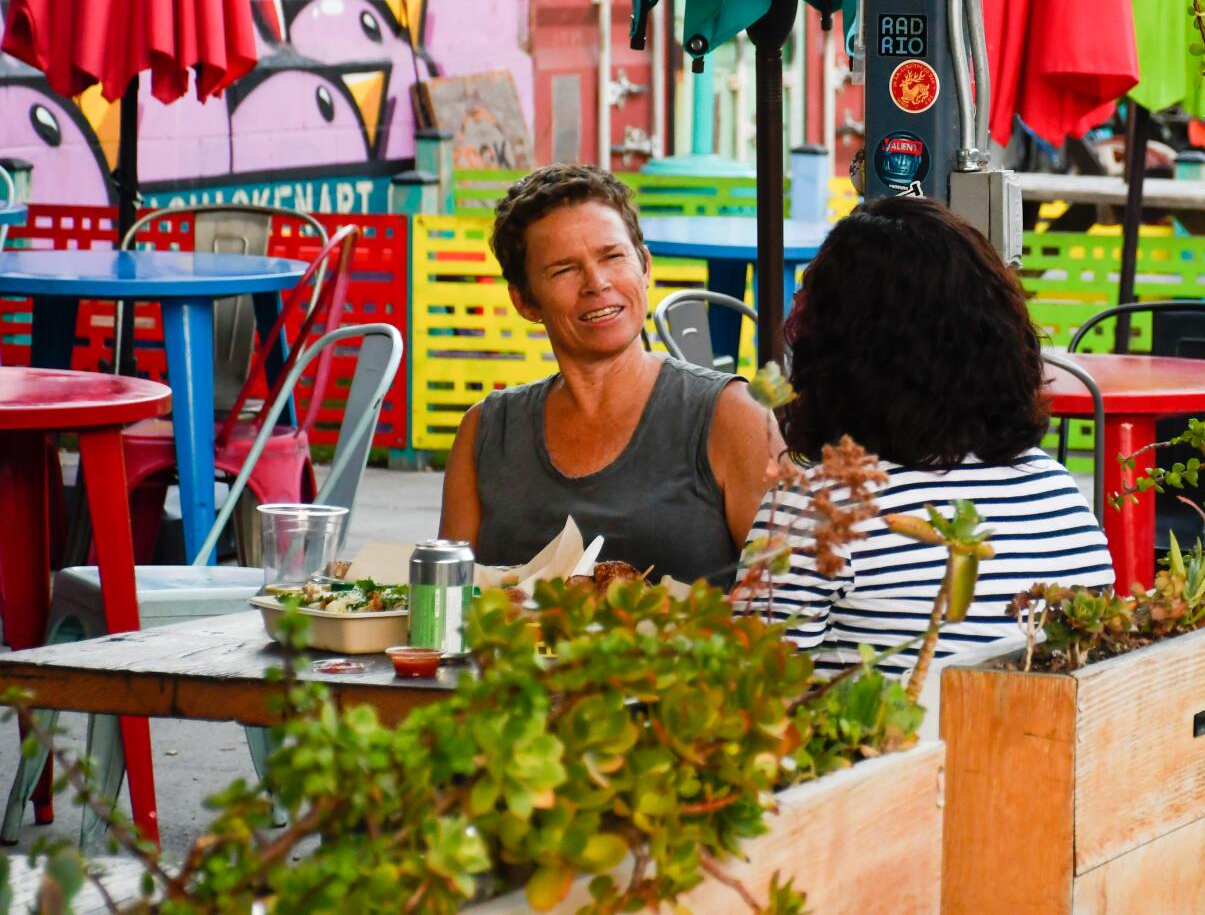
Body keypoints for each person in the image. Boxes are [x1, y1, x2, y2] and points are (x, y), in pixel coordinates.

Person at [745, 196, 1112, 674]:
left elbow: (746, 707)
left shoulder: (819, 510)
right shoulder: (1057, 493)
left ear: (840, 350)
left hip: (889, 748)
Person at [439, 164, 778, 586]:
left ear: (645, 267)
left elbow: (791, 603)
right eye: (564, 270)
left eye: (613, 256)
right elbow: (447, 610)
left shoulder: (731, 416)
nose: (596, 283)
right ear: (525, 301)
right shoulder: (486, 433)